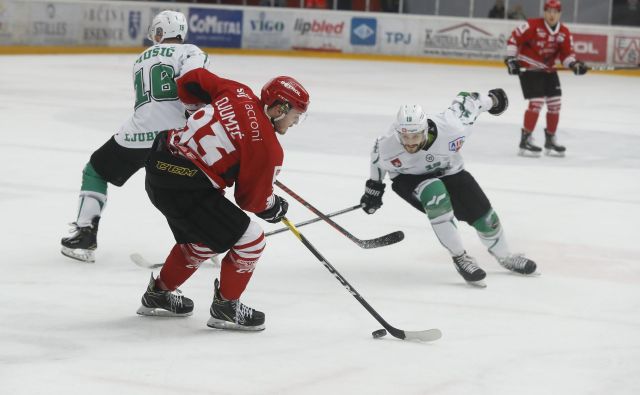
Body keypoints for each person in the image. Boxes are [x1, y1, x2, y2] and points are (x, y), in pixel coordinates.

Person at [135, 69, 310, 331]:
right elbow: (251, 201)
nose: (296, 122)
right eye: (296, 115)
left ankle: (158, 295)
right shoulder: (268, 148)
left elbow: (192, 78)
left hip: (159, 168)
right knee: (251, 240)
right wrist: (272, 206)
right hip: (187, 188)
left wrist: (194, 109)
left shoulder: (237, 91)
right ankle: (227, 308)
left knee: (204, 240)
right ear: (279, 109)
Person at [60, 11, 209, 263]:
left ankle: (85, 235)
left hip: (137, 134)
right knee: (192, 184)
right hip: (174, 137)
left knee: (96, 170)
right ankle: (203, 237)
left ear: (160, 32)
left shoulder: (141, 58)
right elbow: (193, 86)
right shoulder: (191, 52)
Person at [359, 89, 537, 287]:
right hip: (409, 179)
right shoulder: (387, 145)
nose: (410, 143)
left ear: (425, 129)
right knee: (436, 196)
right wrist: (373, 189)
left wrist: (493, 100)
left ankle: (506, 257)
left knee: (486, 218)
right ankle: (460, 257)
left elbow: (468, 102)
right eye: (405, 137)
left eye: (415, 136)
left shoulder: (452, 127)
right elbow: (377, 161)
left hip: (451, 172)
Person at [504, 0, 587, 157]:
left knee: (555, 104)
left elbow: (566, 55)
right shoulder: (532, 25)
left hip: (549, 71)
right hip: (529, 68)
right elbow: (514, 38)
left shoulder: (564, 32)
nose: (551, 15)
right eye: (548, 11)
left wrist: (575, 65)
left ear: (560, 13)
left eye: (555, 12)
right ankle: (526, 139)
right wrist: (510, 59)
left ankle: (550, 138)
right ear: (544, 12)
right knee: (537, 102)